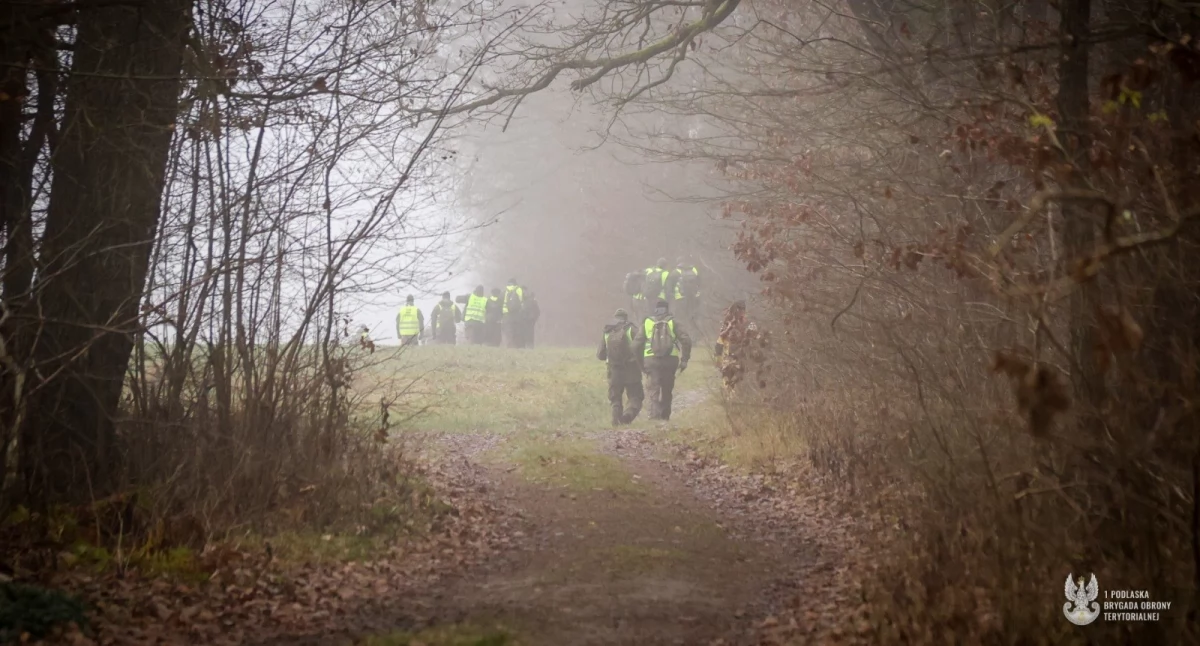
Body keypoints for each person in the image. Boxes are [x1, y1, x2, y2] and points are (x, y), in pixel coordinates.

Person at [642, 298, 691, 421]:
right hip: (670, 360)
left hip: (651, 360)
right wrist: (684, 359)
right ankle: (665, 416)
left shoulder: (648, 322)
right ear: (667, 309)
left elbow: (635, 345)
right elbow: (686, 340)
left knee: (654, 388)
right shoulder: (673, 322)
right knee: (667, 388)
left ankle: (654, 416)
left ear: (656, 309)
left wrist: (640, 362)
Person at [596, 308, 644, 426]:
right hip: (631, 369)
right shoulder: (631, 329)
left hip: (613, 370)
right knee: (635, 396)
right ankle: (627, 416)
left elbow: (600, 355)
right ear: (625, 318)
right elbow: (641, 347)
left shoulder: (607, 331)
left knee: (615, 397)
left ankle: (615, 420)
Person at [673, 257, 701, 323]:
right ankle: (693, 319)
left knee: (684, 308)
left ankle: (686, 321)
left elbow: (672, 283)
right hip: (694, 292)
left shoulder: (676, 271)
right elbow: (699, 281)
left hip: (682, 293)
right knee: (693, 306)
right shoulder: (694, 269)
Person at [502, 278, 524, 348]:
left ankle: (509, 345)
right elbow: (522, 300)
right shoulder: (519, 290)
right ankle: (517, 346)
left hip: (507, 313)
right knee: (517, 330)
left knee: (508, 330)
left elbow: (500, 301)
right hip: (517, 313)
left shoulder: (505, 290)